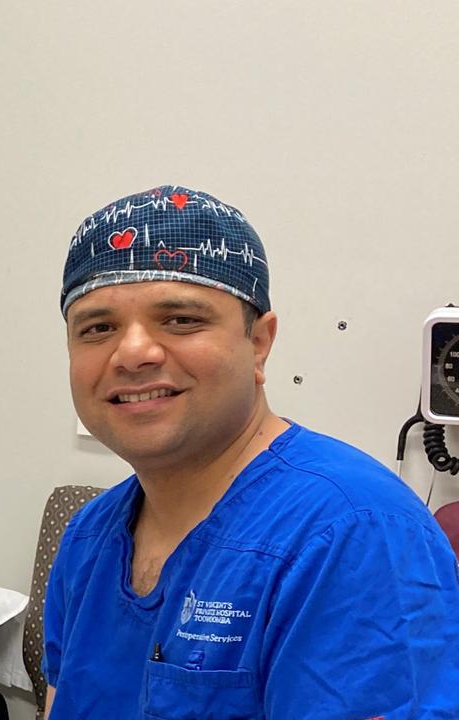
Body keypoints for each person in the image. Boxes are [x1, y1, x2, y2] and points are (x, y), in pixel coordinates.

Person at [42, 185, 459, 718]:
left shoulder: (354, 534)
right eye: (98, 328)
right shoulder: (86, 539)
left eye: (181, 320)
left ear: (259, 343)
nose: (133, 353)